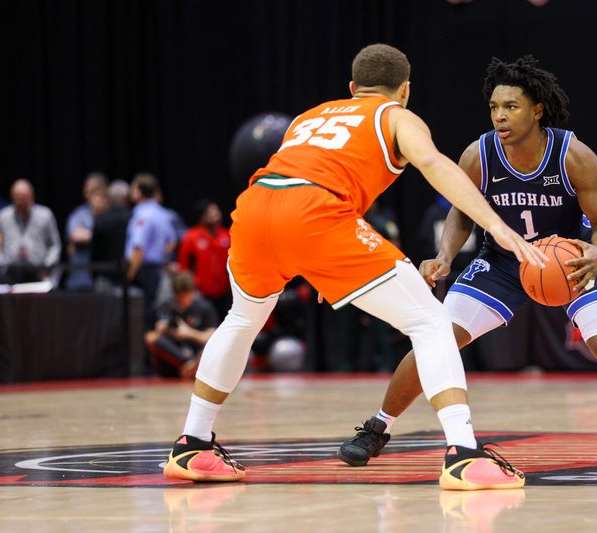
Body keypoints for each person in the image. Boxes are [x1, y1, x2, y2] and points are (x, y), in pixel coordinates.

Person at [163, 43, 547, 489]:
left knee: (242, 319)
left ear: (351, 88)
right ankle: (463, 454)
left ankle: (193, 444)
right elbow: (433, 164)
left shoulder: (310, 116)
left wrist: (317, 262)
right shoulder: (397, 116)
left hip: (254, 207)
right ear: (404, 90)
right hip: (315, 213)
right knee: (430, 321)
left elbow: (310, 174)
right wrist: (497, 227)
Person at [337, 55, 597, 471]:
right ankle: (377, 428)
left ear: (537, 110)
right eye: (494, 108)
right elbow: (461, 213)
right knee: (438, 336)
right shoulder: (478, 155)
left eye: (511, 108)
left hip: (568, 259)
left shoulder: (573, 156)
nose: (500, 117)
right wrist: (445, 255)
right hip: (503, 262)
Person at [146, 272, 218, 379]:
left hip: (197, 352)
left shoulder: (204, 307)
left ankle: (194, 365)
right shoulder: (166, 307)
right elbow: (149, 337)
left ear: (193, 292)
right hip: (177, 356)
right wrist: (164, 330)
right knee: (158, 341)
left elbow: (212, 337)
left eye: (186, 296)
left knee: (214, 347)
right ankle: (190, 366)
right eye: (180, 297)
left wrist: (189, 333)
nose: (183, 300)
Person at [125, 174, 176, 322]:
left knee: (141, 315)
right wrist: (160, 255)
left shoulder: (143, 214)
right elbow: (171, 241)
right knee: (153, 311)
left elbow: (139, 248)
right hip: (156, 269)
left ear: (139, 192)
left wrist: (129, 275)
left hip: (143, 270)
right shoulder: (162, 213)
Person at [0, 179, 62, 284]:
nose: (20, 202)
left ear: (32, 197)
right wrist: (2, 266)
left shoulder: (45, 215)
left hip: (38, 272)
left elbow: (55, 245)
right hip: (10, 273)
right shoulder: (3, 217)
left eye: (23, 198)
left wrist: (47, 265)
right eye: (17, 198)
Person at [177, 199, 231, 321]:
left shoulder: (227, 235)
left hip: (225, 292)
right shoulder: (191, 237)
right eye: (211, 211)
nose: (216, 214)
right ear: (202, 216)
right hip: (201, 293)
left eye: (217, 211)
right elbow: (183, 266)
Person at [64, 172, 108, 291]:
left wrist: (89, 235)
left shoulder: (110, 215)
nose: (88, 195)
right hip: (81, 280)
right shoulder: (80, 214)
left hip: (105, 280)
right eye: (87, 191)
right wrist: (101, 236)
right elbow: (76, 235)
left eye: (93, 191)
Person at [91, 179, 132, 289]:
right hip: (129, 276)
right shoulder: (133, 218)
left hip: (105, 275)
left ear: (109, 198)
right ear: (127, 197)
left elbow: (94, 250)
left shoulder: (101, 219)